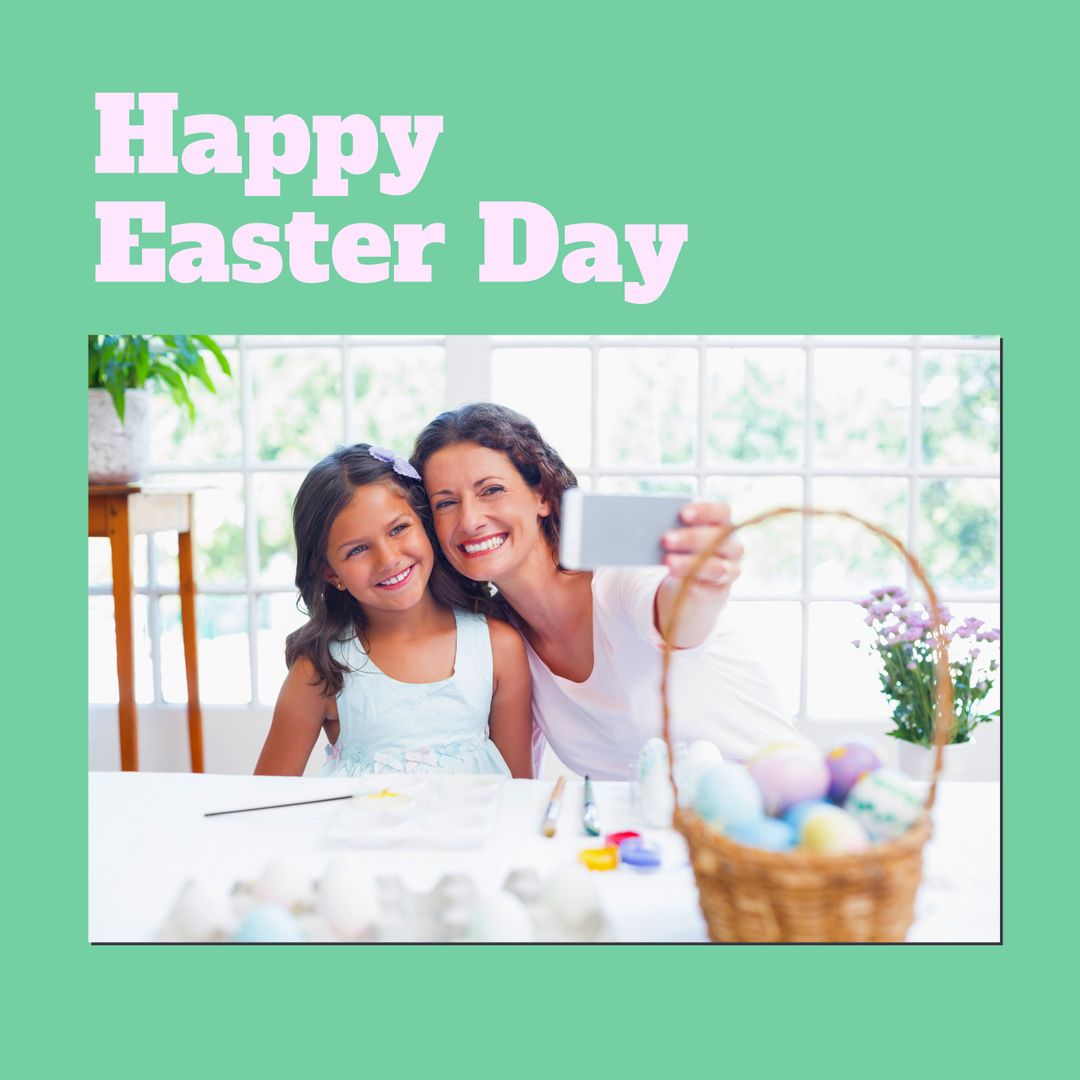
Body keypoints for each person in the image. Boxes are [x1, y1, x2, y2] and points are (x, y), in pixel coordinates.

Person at [412, 404, 804, 780]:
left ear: (543, 497)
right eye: (446, 503)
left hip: (781, 818)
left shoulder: (619, 581)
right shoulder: (498, 640)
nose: (469, 520)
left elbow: (679, 617)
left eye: (491, 490)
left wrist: (704, 580)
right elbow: (511, 777)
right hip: (644, 842)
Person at [255, 443, 533, 778]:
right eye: (358, 549)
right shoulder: (320, 670)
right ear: (332, 574)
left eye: (399, 529)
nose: (388, 560)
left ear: (425, 524)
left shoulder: (498, 648)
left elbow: (521, 795)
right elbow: (265, 800)